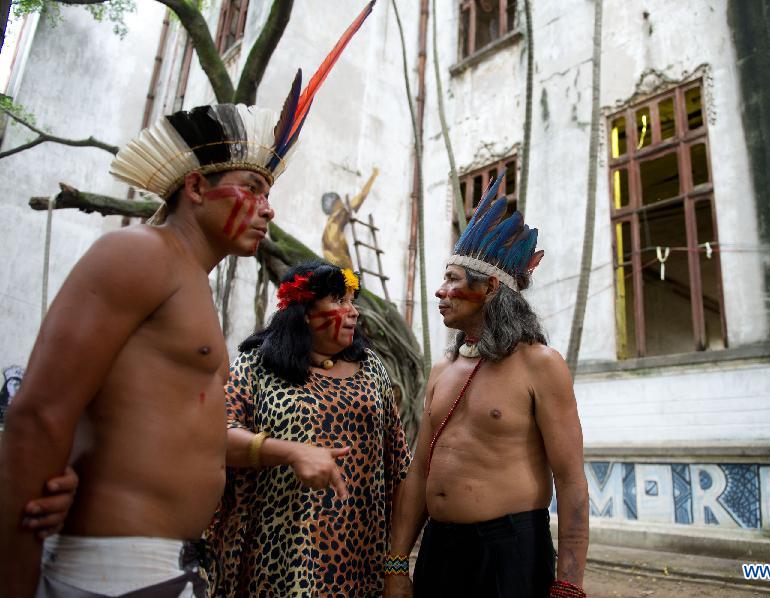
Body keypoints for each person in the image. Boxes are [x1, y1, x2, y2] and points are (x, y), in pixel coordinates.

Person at [0, 6, 376, 596]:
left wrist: (286, 452)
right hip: (115, 567)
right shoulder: (139, 254)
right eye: (252, 188)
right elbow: (39, 413)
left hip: (170, 567)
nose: (268, 209)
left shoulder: (186, 281)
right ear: (197, 187)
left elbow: (146, 422)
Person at [384, 173, 590, 598]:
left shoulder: (540, 366)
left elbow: (570, 481)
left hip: (509, 553)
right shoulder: (443, 369)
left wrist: (569, 584)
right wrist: (396, 562)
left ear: (491, 287)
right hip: (440, 550)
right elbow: (420, 469)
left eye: (454, 280)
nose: (441, 291)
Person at [206, 260, 410, 596]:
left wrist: (397, 564)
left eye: (352, 301)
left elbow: (400, 467)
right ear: (303, 311)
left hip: (362, 563)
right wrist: (290, 451)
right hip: (277, 564)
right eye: (338, 301)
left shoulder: (372, 369)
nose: (353, 312)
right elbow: (215, 438)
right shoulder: (257, 365)